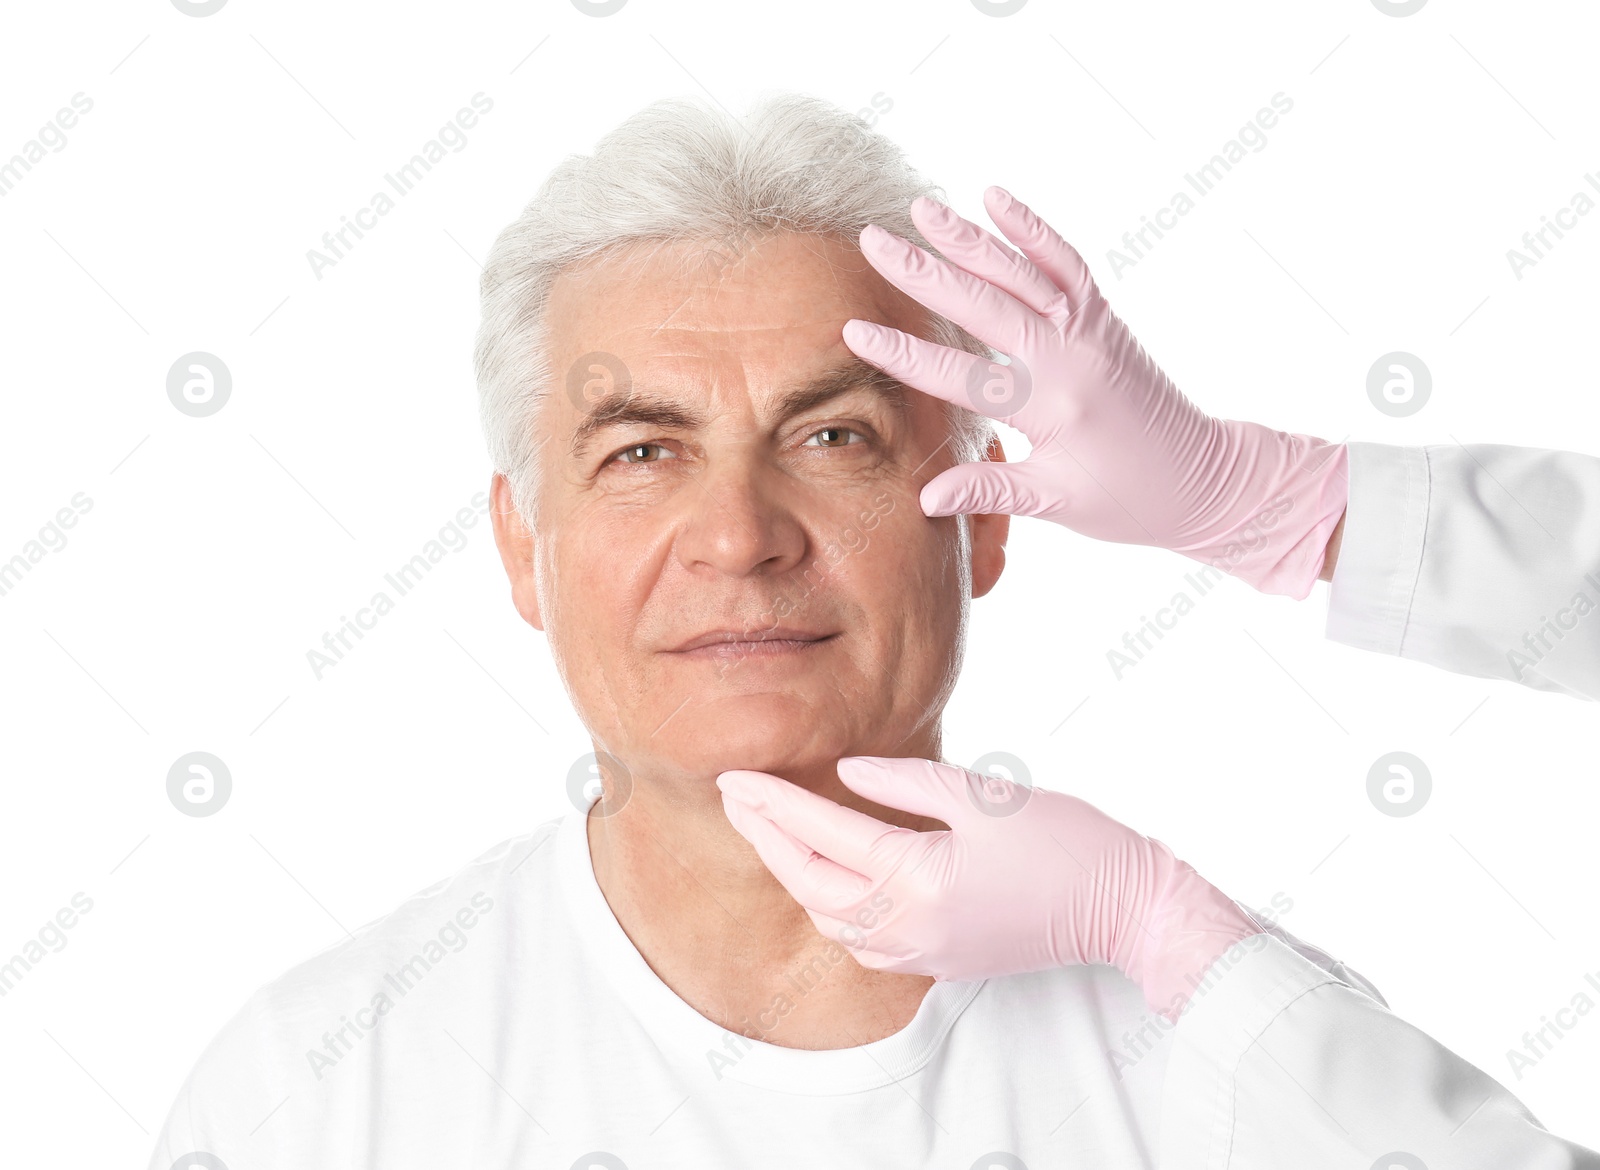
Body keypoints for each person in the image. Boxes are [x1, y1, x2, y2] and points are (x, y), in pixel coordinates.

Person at [145, 92, 1600, 1169]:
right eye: (642, 452)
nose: (740, 534)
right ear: (522, 546)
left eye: (834, 434)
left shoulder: (1228, 1054)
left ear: (985, 519)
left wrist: (1177, 942)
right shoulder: (318, 1096)